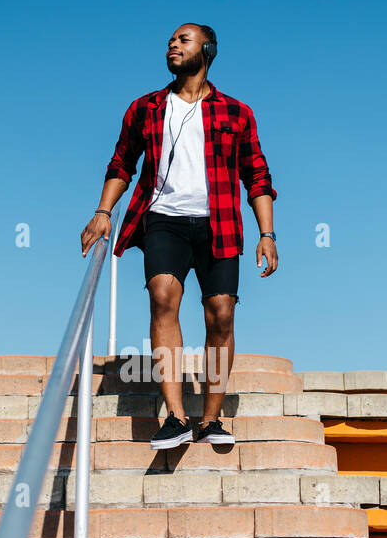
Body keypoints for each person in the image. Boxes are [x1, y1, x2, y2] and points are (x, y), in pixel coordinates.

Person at [81, 23, 278, 449]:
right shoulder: (146, 108)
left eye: (183, 40)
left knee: (221, 315)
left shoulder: (236, 113)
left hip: (219, 222)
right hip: (164, 218)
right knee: (162, 297)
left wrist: (268, 233)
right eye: (170, 39)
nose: (173, 44)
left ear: (206, 50)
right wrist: (103, 211)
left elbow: (257, 175)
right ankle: (174, 417)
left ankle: (209, 420)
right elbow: (121, 163)